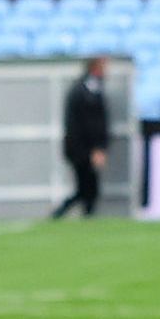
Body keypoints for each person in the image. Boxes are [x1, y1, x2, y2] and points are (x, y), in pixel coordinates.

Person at [62, 61, 109, 218]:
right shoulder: (87, 91)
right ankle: (60, 215)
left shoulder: (82, 88)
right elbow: (92, 123)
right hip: (82, 149)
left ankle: (82, 217)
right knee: (87, 190)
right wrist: (97, 148)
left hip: (79, 148)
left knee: (86, 190)